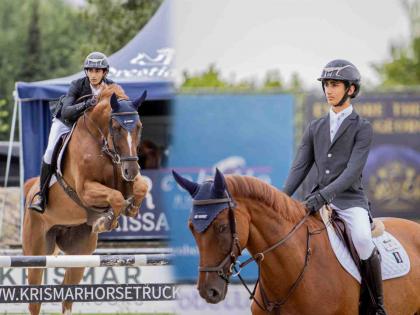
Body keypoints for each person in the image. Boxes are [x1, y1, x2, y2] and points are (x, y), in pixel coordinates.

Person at [282, 59, 387, 314]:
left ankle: (376, 305)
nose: (329, 90)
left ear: (351, 89)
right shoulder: (315, 127)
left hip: (350, 201)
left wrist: (322, 196)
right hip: (317, 200)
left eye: (335, 85)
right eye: (327, 84)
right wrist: (280, 199)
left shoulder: (362, 128)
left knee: (362, 240)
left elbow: (352, 173)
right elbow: (299, 168)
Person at [29, 51, 114, 213]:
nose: (93, 74)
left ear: (105, 72)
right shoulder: (77, 84)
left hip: (90, 128)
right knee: (49, 152)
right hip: (66, 122)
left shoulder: (111, 86)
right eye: (90, 70)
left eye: (97, 71)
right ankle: (42, 195)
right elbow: (67, 111)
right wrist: (87, 103)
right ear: (86, 72)